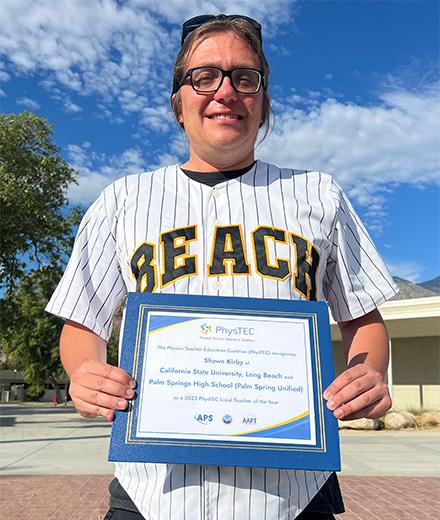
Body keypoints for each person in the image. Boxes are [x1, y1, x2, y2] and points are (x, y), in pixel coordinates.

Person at [46, 14, 398, 520]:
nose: (226, 91)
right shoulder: (123, 200)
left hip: (294, 492)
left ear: (263, 102)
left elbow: (362, 319)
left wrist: (369, 374)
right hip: (153, 490)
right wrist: (85, 374)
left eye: (245, 77)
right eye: (204, 76)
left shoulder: (319, 194)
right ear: (178, 103)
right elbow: (83, 321)